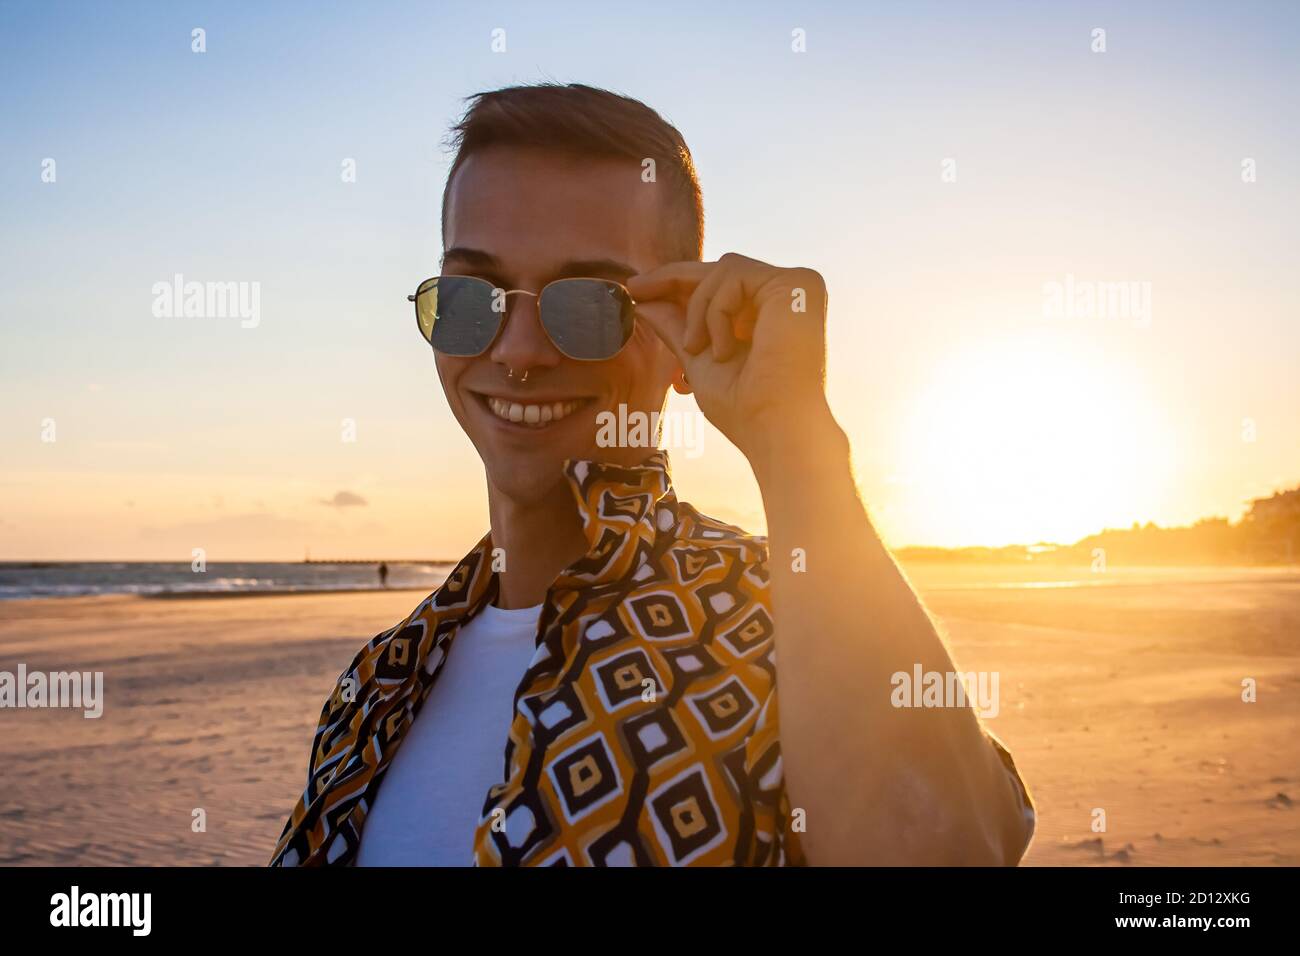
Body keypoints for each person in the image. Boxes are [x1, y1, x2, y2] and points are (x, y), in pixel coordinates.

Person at [270, 83, 1034, 867]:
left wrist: (796, 444)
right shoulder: (377, 685)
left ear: (680, 330)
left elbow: (949, 848)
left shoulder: (776, 625)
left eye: (591, 306)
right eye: (473, 297)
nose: (519, 352)